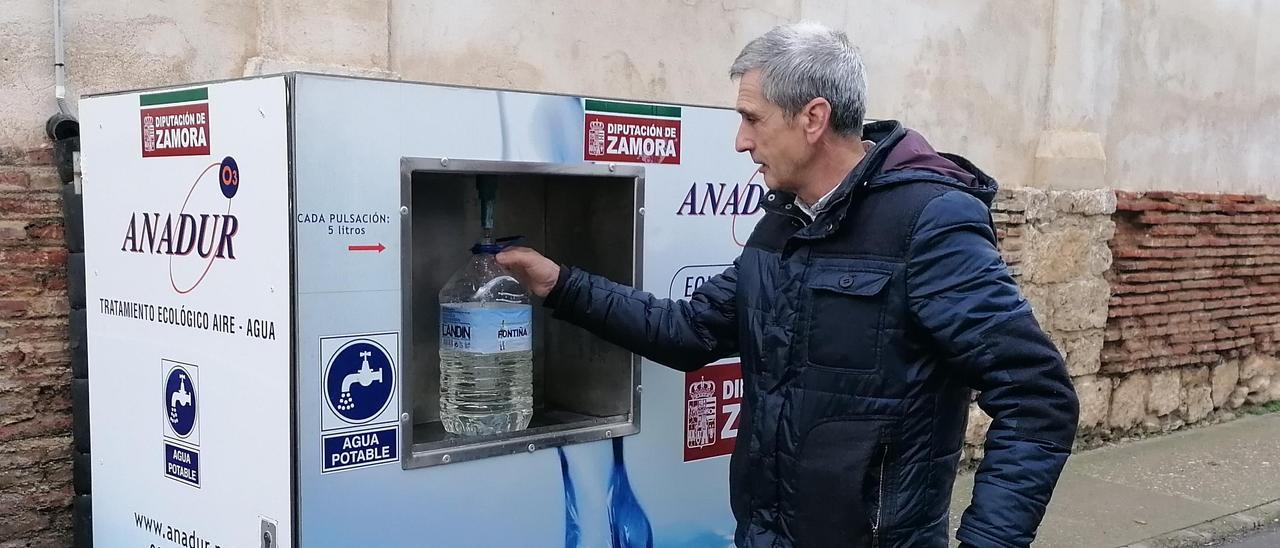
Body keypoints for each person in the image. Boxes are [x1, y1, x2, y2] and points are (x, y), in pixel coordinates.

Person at [498, 22, 1079, 548]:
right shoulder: (782, 226)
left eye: (752, 118)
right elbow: (689, 330)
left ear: (813, 118)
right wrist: (560, 284)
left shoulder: (928, 221)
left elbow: (1036, 398)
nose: (740, 141)